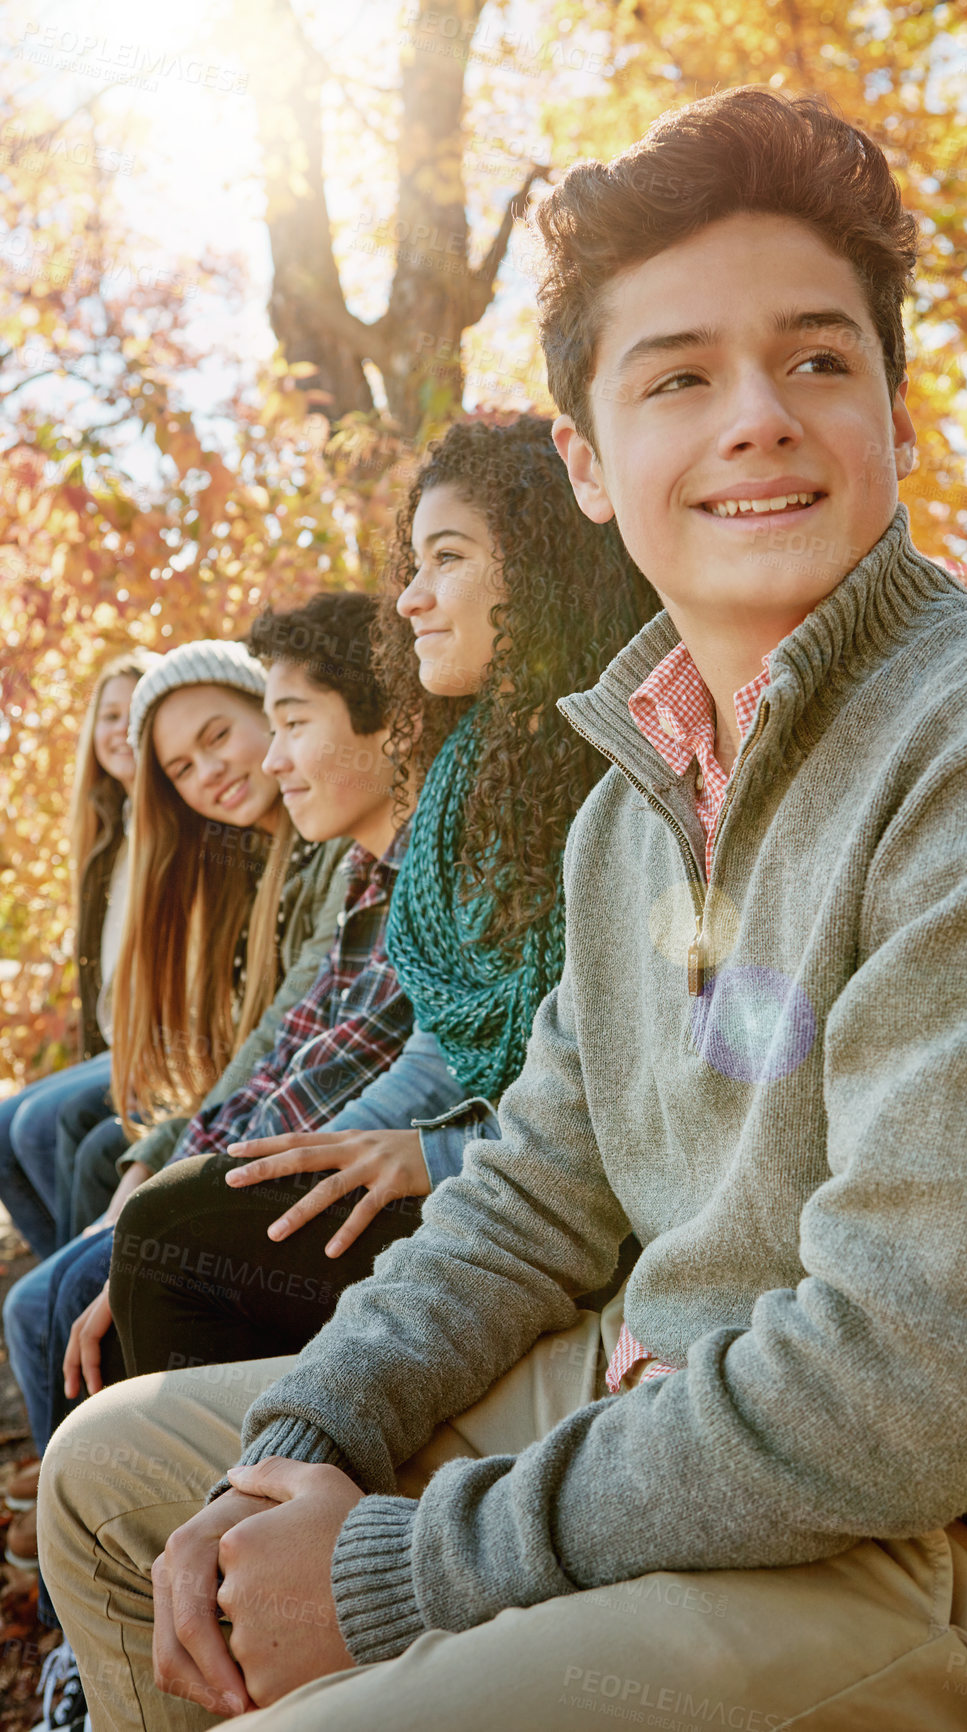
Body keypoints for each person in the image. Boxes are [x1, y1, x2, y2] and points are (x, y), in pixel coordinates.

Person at [41, 87, 967, 1732]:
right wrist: (308, 1444)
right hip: (679, 1388)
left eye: (817, 359)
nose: (757, 416)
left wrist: (393, 1567)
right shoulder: (633, 795)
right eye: (677, 375)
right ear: (586, 459)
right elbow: (531, 1190)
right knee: (117, 1476)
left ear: (894, 416)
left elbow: (903, 1393)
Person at [75, 414, 652, 1383]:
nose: (412, 598)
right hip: (483, 1160)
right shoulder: (475, 773)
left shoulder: (594, 772)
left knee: (168, 1237)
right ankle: (198, 1490)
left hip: (541, 1198)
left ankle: (251, 1494)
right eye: (410, 565)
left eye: (447, 559)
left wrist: (428, 1154)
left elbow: (603, 1086)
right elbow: (364, 1040)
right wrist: (212, 1156)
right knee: (137, 1212)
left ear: (541, 564)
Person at [2, 639, 349, 1564]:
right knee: (57, 1206)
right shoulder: (244, 861)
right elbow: (253, 1049)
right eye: (184, 768)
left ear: (269, 713)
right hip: (238, 1112)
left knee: (67, 1270)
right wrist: (160, 1157)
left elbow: (293, 1048)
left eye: (219, 736)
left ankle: (113, 1534)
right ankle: (86, 1508)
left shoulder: (333, 855)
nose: (214, 773)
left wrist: (170, 1166)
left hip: (319, 1137)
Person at [0, 649, 156, 1261]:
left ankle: (74, 1279)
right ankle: (58, 1271)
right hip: (117, 1045)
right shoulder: (106, 836)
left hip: (160, 1042)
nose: (120, 729)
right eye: (109, 715)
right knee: (5, 1124)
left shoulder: (188, 823)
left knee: (42, 1124)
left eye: (136, 712)